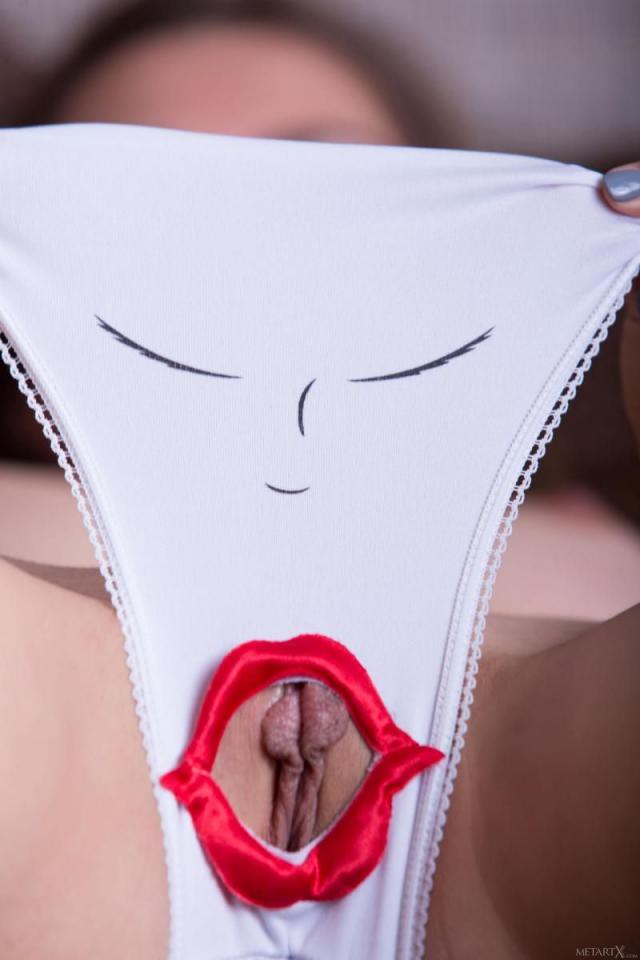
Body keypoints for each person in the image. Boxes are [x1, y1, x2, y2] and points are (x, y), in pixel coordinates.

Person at [0, 2, 638, 957]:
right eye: (150, 204)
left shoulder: (599, 520)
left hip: (524, 787)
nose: (248, 254)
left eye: (325, 184)